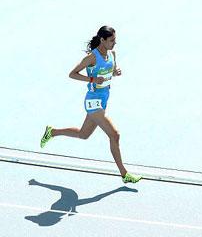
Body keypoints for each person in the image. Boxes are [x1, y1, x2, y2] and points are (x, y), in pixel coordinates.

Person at [40, 26, 142, 184]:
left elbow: (109, 71)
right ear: (102, 40)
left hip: (104, 99)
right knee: (115, 135)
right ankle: (124, 174)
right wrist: (92, 80)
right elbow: (72, 74)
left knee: (83, 135)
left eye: (115, 39)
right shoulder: (91, 58)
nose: (115, 43)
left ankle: (52, 132)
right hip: (93, 101)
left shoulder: (112, 54)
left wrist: (115, 73)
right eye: (112, 40)